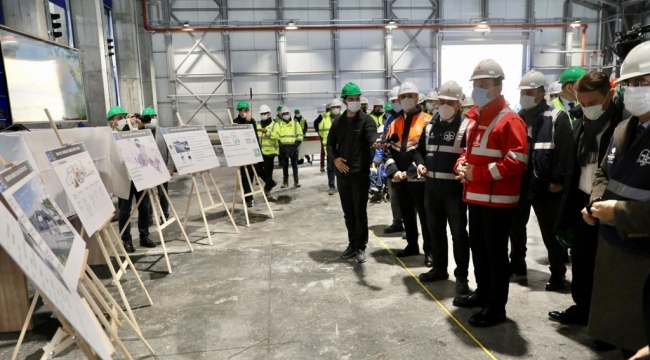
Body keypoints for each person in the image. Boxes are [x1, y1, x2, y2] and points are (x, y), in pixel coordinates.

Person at [584, 43, 650, 357]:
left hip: (643, 254)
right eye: (630, 84)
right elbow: (602, 173)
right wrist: (596, 205)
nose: (635, 90)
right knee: (624, 334)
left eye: (644, 83)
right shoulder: (625, 129)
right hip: (614, 245)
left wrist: (619, 213)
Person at [451, 59, 528, 328]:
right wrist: (461, 165)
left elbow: (517, 161)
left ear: (498, 88)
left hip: (498, 201)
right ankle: (483, 293)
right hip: (476, 198)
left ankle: (496, 308)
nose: (479, 90)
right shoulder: (475, 119)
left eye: (484, 85)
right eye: (476, 85)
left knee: (496, 256)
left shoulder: (509, 121)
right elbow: (467, 153)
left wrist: (478, 174)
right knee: (480, 251)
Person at [548, 72, 621, 345]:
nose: (588, 106)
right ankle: (583, 308)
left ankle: (607, 325)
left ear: (609, 96)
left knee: (607, 266)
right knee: (581, 259)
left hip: (610, 203)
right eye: (583, 100)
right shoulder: (580, 123)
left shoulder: (621, 124)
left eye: (594, 101)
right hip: (581, 199)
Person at [509, 71, 573, 288]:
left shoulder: (556, 117)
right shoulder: (517, 117)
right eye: (523, 92)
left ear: (542, 93)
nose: (525, 96)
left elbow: (564, 151)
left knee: (550, 231)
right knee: (516, 227)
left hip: (545, 185)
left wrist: (558, 179)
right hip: (520, 182)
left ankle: (557, 272)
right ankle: (516, 263)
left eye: (530, 92)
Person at [415, 80, 471, 295]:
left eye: (450, 102)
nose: (445, 105)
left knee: (458, 234)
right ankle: (439, 269)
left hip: (454, 191)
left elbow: (469, 155)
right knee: (435, 231)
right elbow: (418, 150)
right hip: (431, 188)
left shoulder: (466, 126)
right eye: (442, 101)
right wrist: (420, 163)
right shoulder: (429, 126)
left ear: (459, 104)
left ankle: (462, 276)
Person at [327, 82, 379, 263]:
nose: (355, 102)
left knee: (359, 212)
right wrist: (335, 160)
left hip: (359, 175)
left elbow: (372, 135)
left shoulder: (366, 120)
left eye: (358, 99)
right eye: (352, 99)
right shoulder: (338, 122)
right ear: (344, 101)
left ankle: (360, 247)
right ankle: (351, 244)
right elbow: (330, 144)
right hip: (342, 175)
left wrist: (376, 142)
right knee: (348, 212)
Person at [383, 82, 433, 262]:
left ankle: (430, 251)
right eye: (403, 97)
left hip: (420, 178)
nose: (406, 100)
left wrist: (410, 172)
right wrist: (394, 171)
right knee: (407, 215)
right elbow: (387, 149)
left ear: (418, 98)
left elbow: (428, 152)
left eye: (410, 96)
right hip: (400, 178)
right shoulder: (394, 123)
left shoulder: (428, 120)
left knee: (425, 216)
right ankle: (412, 245)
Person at [107, 106, 156, 253]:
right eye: (119, 118)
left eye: (124, 117)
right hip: (124, 178)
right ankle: (126, 240)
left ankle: (144, 235)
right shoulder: (111, 136)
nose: (123, 120)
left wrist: (139, 126)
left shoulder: (133, 131)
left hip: (140, 175)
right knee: (124, 211)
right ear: (112, 122)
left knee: (144, 207)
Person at [142, 107, 174, 223]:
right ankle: (149, 217)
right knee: (148, 196)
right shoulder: (141, 133)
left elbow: (170, 150)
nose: (151, 120)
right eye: (148, 118)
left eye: (153, 117)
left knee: (163, 194)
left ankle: (165, 215)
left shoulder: (163, 131)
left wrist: (170, 167)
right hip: (148, 169)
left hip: (163, 168)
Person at [383, 86, 404, 235]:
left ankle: (410, 227)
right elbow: (385, 141)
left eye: (398, 100)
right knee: (394, 196)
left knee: (409, 199)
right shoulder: (389, 120)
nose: (395, 103)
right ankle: (397, 222)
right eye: (393, 101)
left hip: (407, 164)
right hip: (392, 164)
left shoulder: (412, 118)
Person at [233, 100, 258, 207]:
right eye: (244, 110)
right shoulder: (235, 121)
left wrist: (249, 122)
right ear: (239, 111)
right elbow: (240, 136)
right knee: (244, 176)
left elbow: (254, 135)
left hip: (251, 152)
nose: (246, 112)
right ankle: (248, 197)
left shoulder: (252, 121)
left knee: (251, 175)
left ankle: (249, 195)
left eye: (247, 110)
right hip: (241, 153)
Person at [256, 105, 280, 194]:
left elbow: (277, 136)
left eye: (265, 113)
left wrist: (267, 132)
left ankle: (267, 188)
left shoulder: (275, 124)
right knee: (257, 169)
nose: (263, 115)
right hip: (260, 151)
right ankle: (271, 183)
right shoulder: (258, 124)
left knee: (268, 171)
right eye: (262, 114)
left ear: (269, 113)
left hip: (271, 151)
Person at [278, 106, 303, 188]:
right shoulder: (279, 125)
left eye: (287, 113)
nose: (285, 115)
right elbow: (277, 136)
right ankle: (285, 181)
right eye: (284, 114)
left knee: (294, 165)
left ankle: (296, 180)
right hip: (283, 148)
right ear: (281, 115)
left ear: (290, 113)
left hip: (293, 148)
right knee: (284, 166)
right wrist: (280, 146)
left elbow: (300, 135)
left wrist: (295, 146)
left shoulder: (296, 124)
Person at [319, 100, 339, 195]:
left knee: (342, 168)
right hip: (330, 148)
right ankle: (331, 186)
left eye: (337, 107)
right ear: (330, 109)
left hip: (342, 149)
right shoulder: (325, 119)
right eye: (333, 107)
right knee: (330, 168)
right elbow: (321, 132)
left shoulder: (345, 117)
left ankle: (342, 186)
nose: (335, 109)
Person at [314, 103, 332, 173]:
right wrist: (318, 132)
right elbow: (315, 122)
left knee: (324, 151)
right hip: (325, 135)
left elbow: (315, 122)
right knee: (325, 150)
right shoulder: (323, 115)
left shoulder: (324, 115)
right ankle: (324, 166)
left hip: (325, 135)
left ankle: (324, 166)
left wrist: (318, 132)